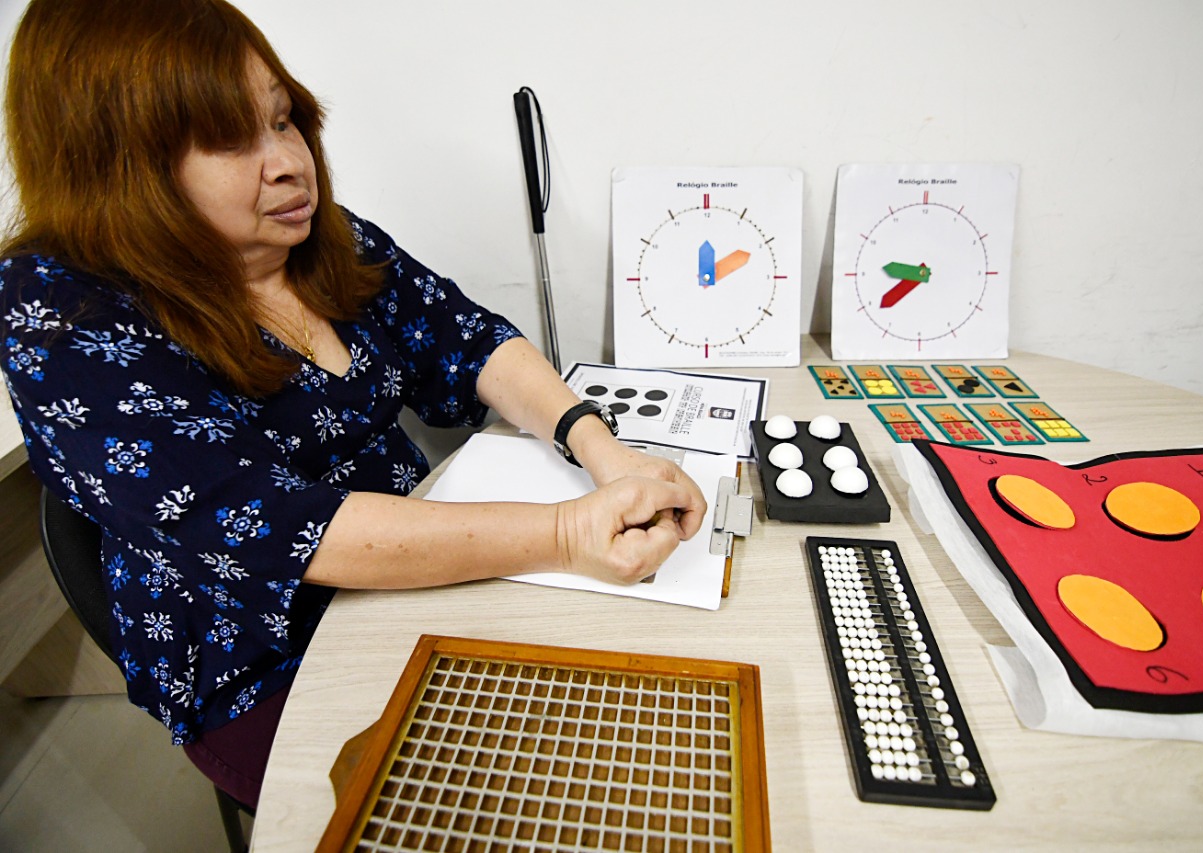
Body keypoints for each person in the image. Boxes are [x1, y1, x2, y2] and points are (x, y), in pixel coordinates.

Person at [0, 0, 706, 810]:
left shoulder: (319, 237)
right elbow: (270, 524)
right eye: (234, 139)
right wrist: (563, 532)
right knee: (549, 788)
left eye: (284, 120)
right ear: (119, 163)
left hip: (426, 580)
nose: (290, 163)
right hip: (271, 669)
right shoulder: (61, 311)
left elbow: (469, 337)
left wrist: (602, 447)